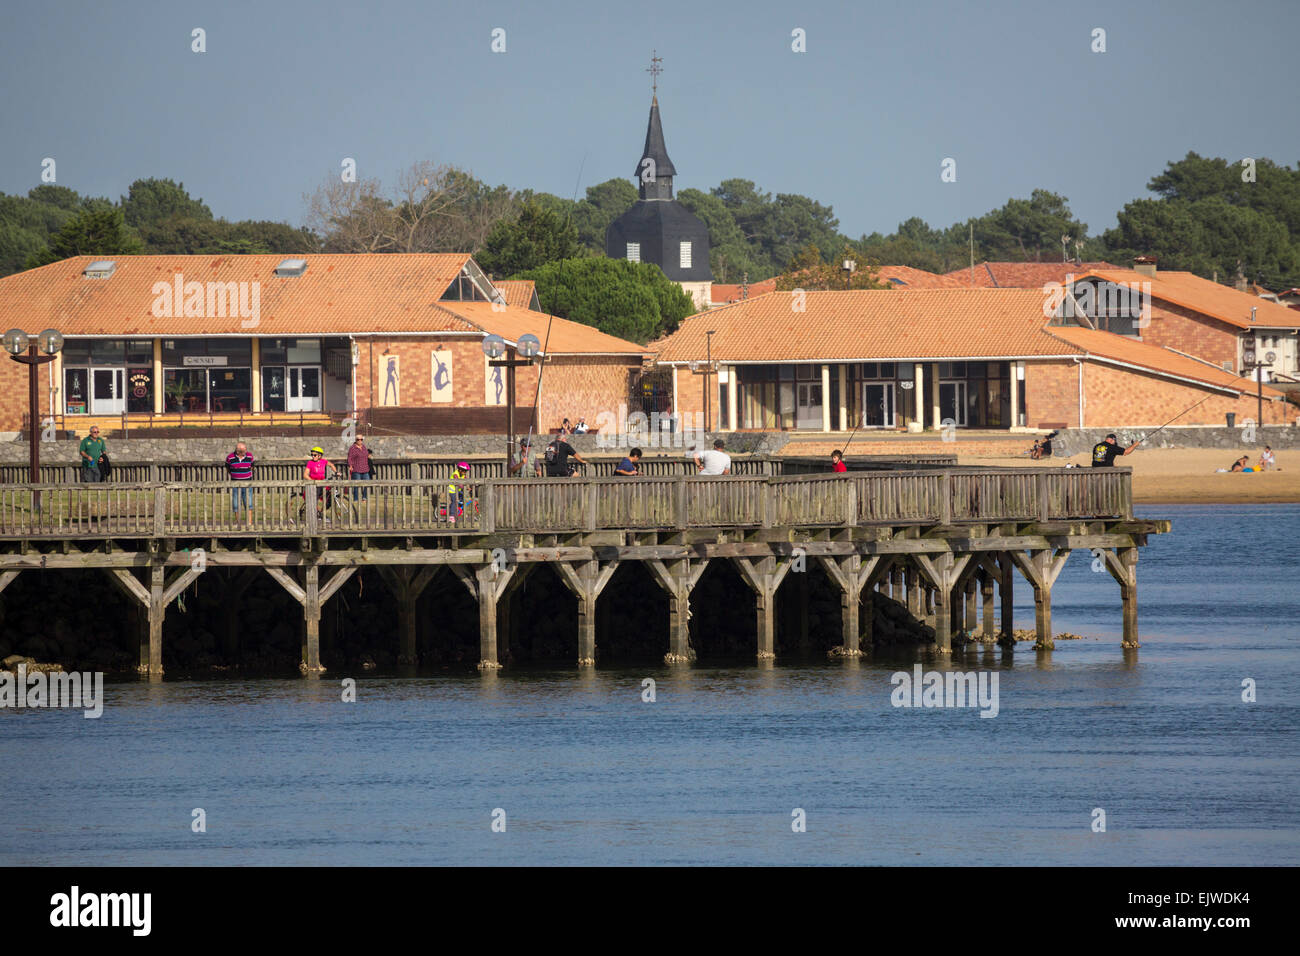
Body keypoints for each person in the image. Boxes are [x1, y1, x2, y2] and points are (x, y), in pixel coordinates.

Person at [304, 446, 338, 521]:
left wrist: (336, 472)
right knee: (314, 500)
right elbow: (305, 475)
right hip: (315, 484)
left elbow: (331, 465)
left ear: (320, 456)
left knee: (330, 497)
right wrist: (313, 481)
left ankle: (321, 513)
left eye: (315, 455)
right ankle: (316, 514)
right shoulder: (310, 463)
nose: (313, 456)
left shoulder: (323, 461)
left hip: (322, 483)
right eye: (312, 455)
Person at [226, 442, 255, 524]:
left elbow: (251, 467)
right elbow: (228, 469)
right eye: (240, 450)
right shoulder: (230, 457)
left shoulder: (250, 456)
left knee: (249, 504)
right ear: (236, 450)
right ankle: (239, 523)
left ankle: (249, 523)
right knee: (236, 505)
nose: (242, 452)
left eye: (243, 450)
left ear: (246, 449)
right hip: (235, 485)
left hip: (247, 484)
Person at [347, 436, 372, 501]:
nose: (360, 441)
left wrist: (369, 456)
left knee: (367, 483)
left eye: (361, 439)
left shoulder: (363, 447)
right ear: (355, 440)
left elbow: (366, 454)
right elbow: (349, 458)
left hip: (365, 468)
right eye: (358, 439)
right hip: (356, 469)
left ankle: (364, 497)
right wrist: (350, 465)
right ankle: (356, 499)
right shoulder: (352, 448)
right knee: (357, 485)